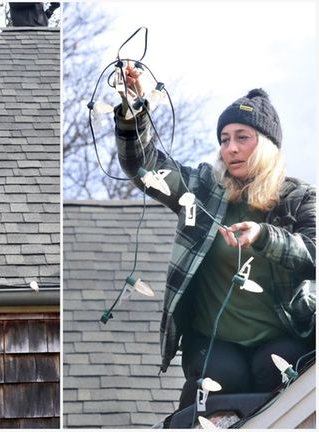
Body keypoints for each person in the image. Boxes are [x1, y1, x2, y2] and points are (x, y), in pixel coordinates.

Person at [114, 62, 315, 408]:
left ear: (266, 144)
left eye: (242, 138)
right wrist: (134, 113)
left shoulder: (299, 198)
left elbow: (313, 254)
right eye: (224, 140)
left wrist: (264, 236)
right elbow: (143, 166)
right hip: (213, 340)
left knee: (281, 373)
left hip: (284, 334)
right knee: (219, 383)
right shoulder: (204, 188)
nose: (231, 148)